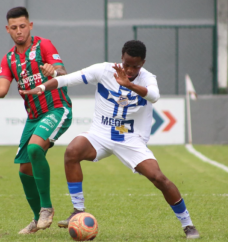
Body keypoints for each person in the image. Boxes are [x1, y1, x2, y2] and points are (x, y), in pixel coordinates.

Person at [19, 40, 200, 239]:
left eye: (135, 66)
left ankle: (188, 225)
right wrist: (42, 88)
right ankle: (78, 211)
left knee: (159, 178)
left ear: (143, 63)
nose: (130, 70)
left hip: (131, 139)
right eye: (127, 64)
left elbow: (155, 96)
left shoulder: (148, 78)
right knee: (72, 152)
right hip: (100, 134)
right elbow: (67, 79)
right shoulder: (103, 70)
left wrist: (129, 84)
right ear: (121, 58)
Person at [0, 6, 72, 235]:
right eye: (14, 28)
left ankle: (47, 209)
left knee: (34, 149)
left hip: (57, 109)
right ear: (8, 29)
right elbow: (1, 89)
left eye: (23, 26)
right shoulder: (9, 58)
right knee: (24, 170)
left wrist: (54, 71)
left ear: (30, 25)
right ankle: (35, 219)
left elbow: (62, 71)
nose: (19, 31)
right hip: (33, 117)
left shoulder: (44, 45)